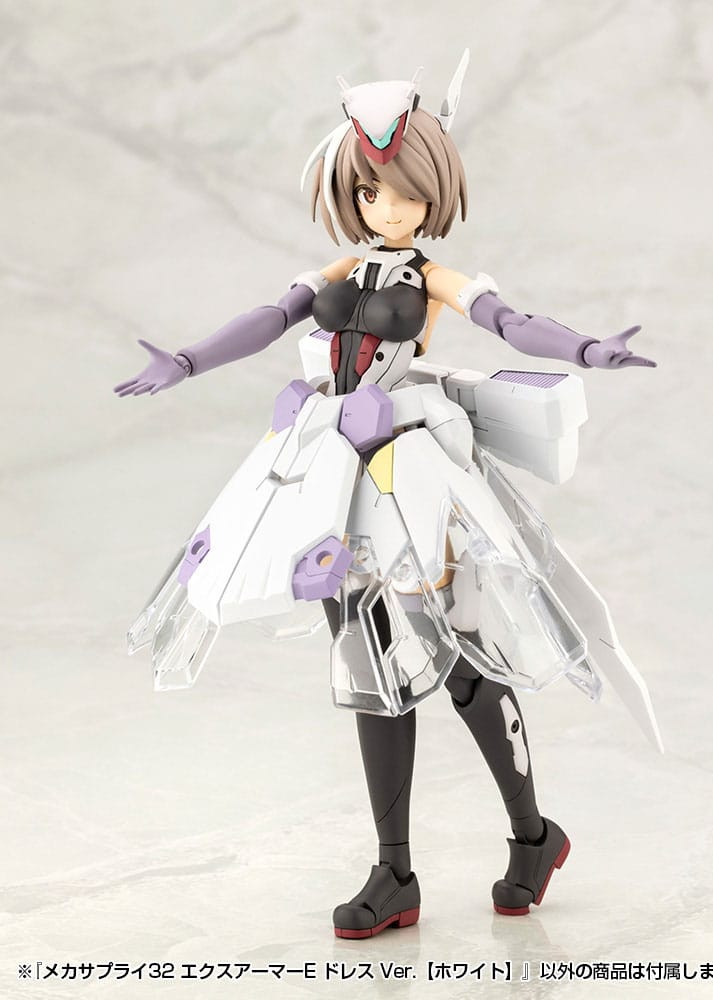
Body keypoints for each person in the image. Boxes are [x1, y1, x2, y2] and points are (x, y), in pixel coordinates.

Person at [115, 52, 658, 939]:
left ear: (433, 192)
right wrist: (185, 360)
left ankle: (532, 835)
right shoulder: (338, 271)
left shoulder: (433, 279)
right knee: (365, 663)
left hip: (411, 468)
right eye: (373, 191)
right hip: (335, 465)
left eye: (406, 192)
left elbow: (510, 323)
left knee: (460, 654)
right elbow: (267, 320)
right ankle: (393, 871)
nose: (389, 207)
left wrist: (588, 350)